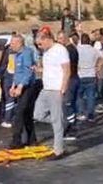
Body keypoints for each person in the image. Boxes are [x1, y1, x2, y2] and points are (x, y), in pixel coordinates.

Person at [33, 27, 71, 160]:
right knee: (37, 114)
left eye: (40, 43)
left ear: (47, 39)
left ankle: (58, 150)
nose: (39, 46)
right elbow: (50, 69)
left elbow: (66, 70)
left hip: (56, 89)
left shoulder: (60, 50)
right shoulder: (46, 52)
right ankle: (63, 123)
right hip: (46, 88)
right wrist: (39, 69)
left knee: (56, 120)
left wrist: (63, 88)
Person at [8, 34, 37, 149]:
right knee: (26, 114)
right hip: (19, 85)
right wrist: (13, 86)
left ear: (20, 43)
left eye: (13, 43)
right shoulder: (16, 55)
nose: (11, 45)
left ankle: (16, 140)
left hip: (28, 87)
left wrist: (20, 87)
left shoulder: (27, 53)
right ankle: (32, 139)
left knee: (19, 112)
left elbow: (28, 72)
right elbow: (17, 73)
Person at [76, 33, 103, 121]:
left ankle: (80, 113)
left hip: (80, 74)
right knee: (91, 96)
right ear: (89, 41)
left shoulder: (77, 49)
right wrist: (98, 66)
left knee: (79, 95)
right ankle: (90, 114)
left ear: (81, 41)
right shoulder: (94, 50)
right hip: (91, 74)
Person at [58, 32, 79, 133]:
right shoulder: (70, 49)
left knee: (67, 104)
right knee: (71, 104)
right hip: (73, 78)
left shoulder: (69, 50)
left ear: (65, 38)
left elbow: (66, 67)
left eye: (60, 39)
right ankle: (72, 124)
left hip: (71, 79)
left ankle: (71, 127)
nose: (58, 41)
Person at [0, 41, 16, 128]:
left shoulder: (10, 53)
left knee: (9, 98)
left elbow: (5, 65)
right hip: (9, 77)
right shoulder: (14, 53)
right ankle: (8, 117)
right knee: (10, 98)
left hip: (10, 77)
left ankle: (8, 119)